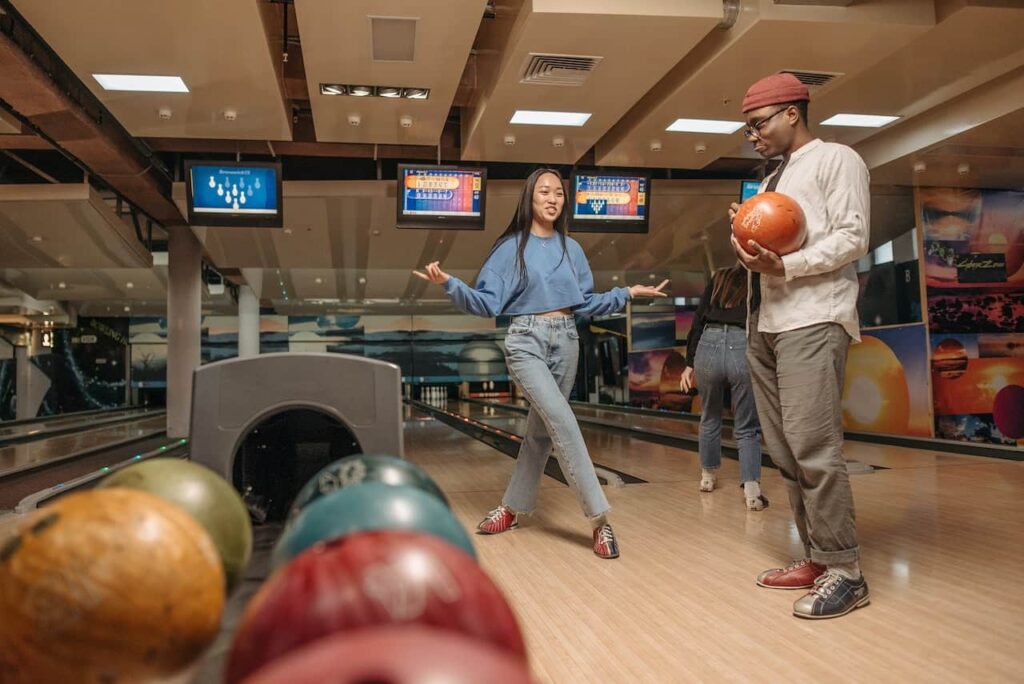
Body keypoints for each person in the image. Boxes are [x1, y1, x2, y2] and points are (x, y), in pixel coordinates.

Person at [414, 168, 668, 559]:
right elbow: (486, 303)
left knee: (540, 434)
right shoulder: (510, 248)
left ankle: (511, 508)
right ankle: (600, 519)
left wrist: (627, 293)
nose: (552, 199)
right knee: (563, 421)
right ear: (530, 198)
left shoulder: (572, 249)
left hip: (567, 340)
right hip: (526, 341)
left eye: (559, 194)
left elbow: (585, 303)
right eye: (544, 192)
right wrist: (450, 284)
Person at [729, 73, 870, 618]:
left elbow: (852, 237)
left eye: (758, 124)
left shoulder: (837, 159)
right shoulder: (771, 180)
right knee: (786, 452)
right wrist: (746, 235)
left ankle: (846, 572)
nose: (753, 136)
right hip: (766, 322)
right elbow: (766, 252)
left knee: (813, 447)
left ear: (792, 112)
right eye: (748, 128)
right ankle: (817, 556)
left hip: (813, 318)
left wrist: (786, 264)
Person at [679, 264, 767, 510]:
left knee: (709, 416)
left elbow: (698, 319)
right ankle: (751, 490)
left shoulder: (720, 276)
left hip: (708, 344)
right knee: (747, 425)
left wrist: (689, 363)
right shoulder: (759, 279)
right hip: (741, 343)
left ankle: (707, 477)